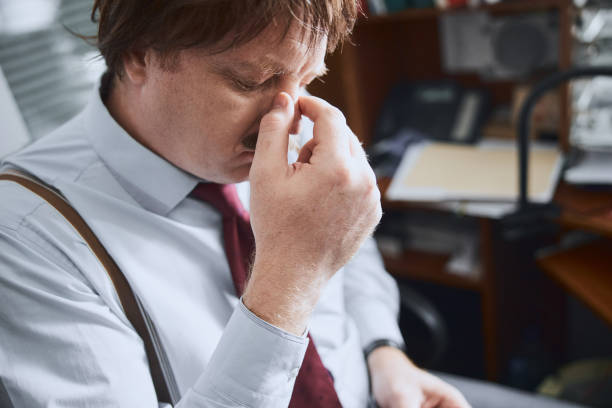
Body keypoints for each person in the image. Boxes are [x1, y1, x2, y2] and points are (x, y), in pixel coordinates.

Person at [0, 1, 584, 407]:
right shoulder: (23, 235)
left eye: (307, 80)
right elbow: (313, 260)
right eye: (251, 82)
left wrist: (384, 353)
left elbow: (350, 259)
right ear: (136, 56)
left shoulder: (277, 125)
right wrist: (291, 273)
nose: (286, 117)